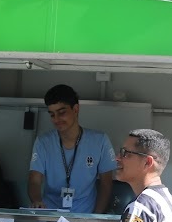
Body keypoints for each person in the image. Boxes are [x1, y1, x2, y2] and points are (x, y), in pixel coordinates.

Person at [28, 84, 117, 213]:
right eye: (52, 115)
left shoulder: (100, 140)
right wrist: (37, 201)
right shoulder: (43, 142)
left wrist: (95, 218)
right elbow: (34, 180)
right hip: (50, 214)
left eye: (61, 113)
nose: (56, 119)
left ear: (75, 109)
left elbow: (106, 184)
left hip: (85, 214)